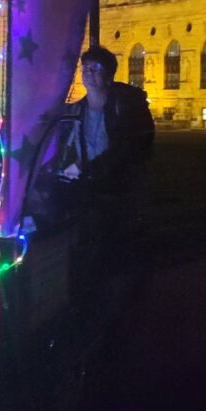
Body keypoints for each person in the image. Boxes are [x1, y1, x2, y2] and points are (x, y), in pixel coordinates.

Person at [64, 45, 154, 257]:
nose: (88, 72)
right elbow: (63, 143)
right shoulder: (77, 109)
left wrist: (91, 168)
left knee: (116, 246)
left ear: (109, 74)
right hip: (89, 187)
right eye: (85, 67)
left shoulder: (126, 107)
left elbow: (130, 148)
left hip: (120, 189)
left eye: (95, 68)